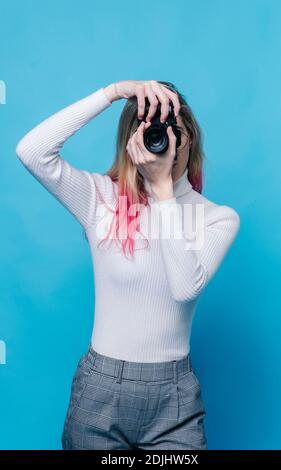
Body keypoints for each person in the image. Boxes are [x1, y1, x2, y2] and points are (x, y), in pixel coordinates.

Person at [16, 79, 240, 450]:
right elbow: (31, 151)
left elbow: (184, 288)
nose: (161, 138)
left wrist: (163, 191)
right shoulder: (99, 199)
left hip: (175, 400)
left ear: (190, 140)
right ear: (131, 142)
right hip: (100, 391)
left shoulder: (218, 218)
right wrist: (114, 92)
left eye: (173, 130)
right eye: (148, 128)